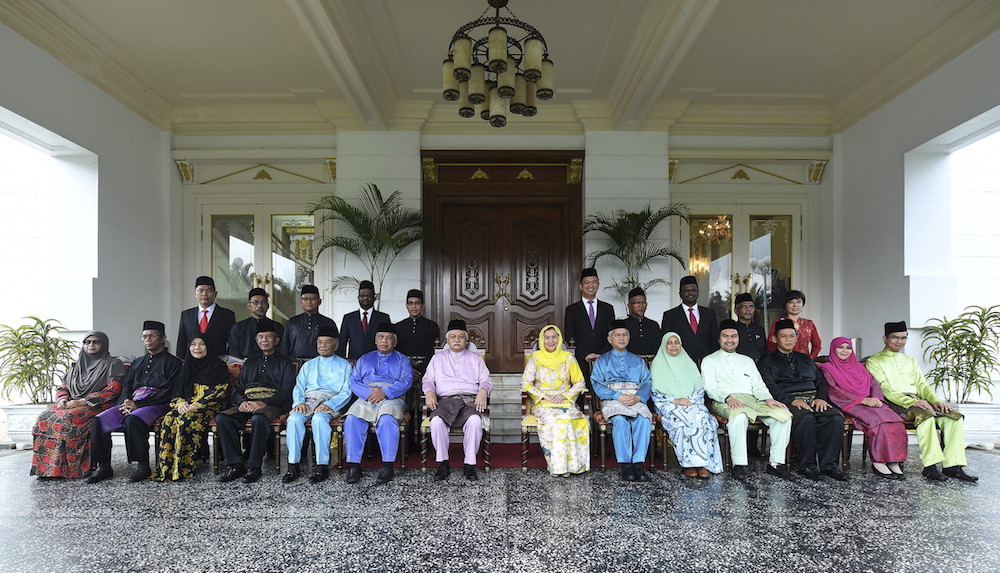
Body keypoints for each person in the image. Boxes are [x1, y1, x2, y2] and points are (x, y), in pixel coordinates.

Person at [867, 321, 977, 482]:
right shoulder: (874, 361)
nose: (899, 341)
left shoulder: (909, 360)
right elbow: (884, 388)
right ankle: (930, 466)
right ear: (885, 338)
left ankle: (952, 466)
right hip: (895, 403)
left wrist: (935, 401)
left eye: (903, 338)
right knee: (926, 416)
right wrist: (910, 402)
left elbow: (922, 384)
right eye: (895, 337)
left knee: (954, 417)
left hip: (918, 400)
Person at [87, 321, 183, 484]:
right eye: (145, 336)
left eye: (153, 335)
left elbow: (171, 391)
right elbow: (127, 385)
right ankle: (103, 466)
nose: (148, 339)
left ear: (163, 338)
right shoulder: (138, 362)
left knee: (133, 419)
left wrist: (139, 405)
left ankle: (143, 466)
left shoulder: (174, 363)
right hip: (133, 402)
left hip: (158, 404)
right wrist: (126, 400)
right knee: (98, 420)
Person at [702, 319, 793, 481]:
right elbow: (710, 388)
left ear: (738, 338)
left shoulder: (747, 360)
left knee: (783, 415)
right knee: (739, 416)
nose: (730, 339)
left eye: (734, 336)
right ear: (719, 339)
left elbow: (758, 385)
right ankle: (740, 464)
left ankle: (776, 463)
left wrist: (768, 399)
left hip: (753, 401)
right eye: (725, 336)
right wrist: (727, 397)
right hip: (724, 401)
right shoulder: (709, 360)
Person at [758, 319, 847, 481]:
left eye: (792, 336)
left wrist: (820, 398)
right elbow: (768, 385)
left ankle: (830, 465)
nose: (788, 339)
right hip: (787, 400)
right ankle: (807, 465)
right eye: (784, 336)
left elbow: (820, 381)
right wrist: (791, 400)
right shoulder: (766, 361)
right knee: (805, 418)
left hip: (813, 398)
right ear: (775, 339)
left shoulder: (805, 359)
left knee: (834, 418)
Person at [30, 331, 125, 479]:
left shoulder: (113, 363)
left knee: (66, 419)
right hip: (71, 403)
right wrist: (62, 399)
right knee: (44, 417)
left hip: (98, 405)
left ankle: (73, 469)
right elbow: (63, 387)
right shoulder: (77, 365)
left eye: (95, 342)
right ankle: (49, 469)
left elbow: (114, 389)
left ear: (104, 344)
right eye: (87, 342)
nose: (91, 345)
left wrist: (82, 401)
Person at [216, 319, 295, 484]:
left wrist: (264, 403)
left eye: (268, 337)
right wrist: (241, 402)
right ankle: (236, 465)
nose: (264, 340)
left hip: (272, 404)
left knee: (259, 418)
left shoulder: (285, 362)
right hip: (248, 402)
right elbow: (237, 389)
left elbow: (287, 391)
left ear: (276, 340)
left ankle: (254, 467)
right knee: (223, 418)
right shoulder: (250, 362)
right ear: (256, 340)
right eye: (261, 337)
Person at [818, 337, 907, 479]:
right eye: (840, 347)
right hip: (848, 403)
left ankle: (893, 461)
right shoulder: (827, 368)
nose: (845, 351)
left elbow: (874, 384)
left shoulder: (860, 367)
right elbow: (834, 391)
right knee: (877, 421)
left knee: (895, 420)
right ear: (833, 349)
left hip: (871, 401)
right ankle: (878, 461)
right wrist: (862, 400)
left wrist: (877, 398)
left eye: (848, 348)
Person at [151, 335, 230, 482]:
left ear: (208, 347)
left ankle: (183, 468)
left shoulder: (218, 366)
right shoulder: (186, 366)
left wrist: (199, 404)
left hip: (211, 405)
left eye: (201, 344)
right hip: (188, 404)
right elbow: (176, 391)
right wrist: (181, 403)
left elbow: (222, 390)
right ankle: (166, 468)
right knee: (169, 418)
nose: (197, 348)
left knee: (186, 419)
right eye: (193, 344)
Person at [422, 319, 492, 481]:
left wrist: (483, 390)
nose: (457, 339)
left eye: (461, 337)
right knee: (437, 421)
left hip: (469, 400)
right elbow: (427, 380)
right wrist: (429, 391)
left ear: (466, 341)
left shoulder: (476, 359)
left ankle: (469, 464)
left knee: (475, 420)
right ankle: (443, 462)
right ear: (447, 340)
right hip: (445, 400)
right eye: (453, 336)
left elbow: (486, 380)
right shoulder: (437, 359)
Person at [343, 323, 413, 484]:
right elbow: (354, 381)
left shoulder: (402, 360)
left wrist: (385, 392)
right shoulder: (365, 358)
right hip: (367, 396)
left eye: (389, 338)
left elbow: (407, 381)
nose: (384, 341)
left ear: (395, 342)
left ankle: (387, 466)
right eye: (381, 337)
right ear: (375, 341)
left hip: (392, 397)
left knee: (387, 419)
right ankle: (354, 465)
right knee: (352, 419)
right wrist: (370, 394)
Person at [282, 326, 352, 484]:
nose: (323, 345)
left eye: (327, 342)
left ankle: (321, 466)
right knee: (293, 419)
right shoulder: (309, 365)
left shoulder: (345, 365)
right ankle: (293, 466)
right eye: (320, 342)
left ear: (336, 345)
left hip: (331, 402)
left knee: (319, 419)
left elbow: (346, 392)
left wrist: (331, 404)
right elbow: (299, 387)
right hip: (308, 401)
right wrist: (299, 402)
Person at [650, 331, 723, 478]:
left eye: (676, 342)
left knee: (703, 417)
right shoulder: (657, 364)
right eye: (669, 343)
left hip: (692, 402)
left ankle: (703, 463)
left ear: (681, 344)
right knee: (681, 419)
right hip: (668, 404)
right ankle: (688, 464)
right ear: (664, 346)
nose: (673, 345)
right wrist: (675, 400)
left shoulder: (689, 362)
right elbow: (655, 390)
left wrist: (691, 399)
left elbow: (699, 385)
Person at [521, 325, 590, 477]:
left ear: (559, 339)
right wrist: (544, 396)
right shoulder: (535, 359)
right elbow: (526, 383)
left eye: (554, 337)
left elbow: (580, 382)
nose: (551, 340)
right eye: (547, 337)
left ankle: (573, 465)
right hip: (543, 402)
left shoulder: (568, 358)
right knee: (556, 420)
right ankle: (558, 467)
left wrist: (565, 395)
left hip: (564, 400)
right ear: (542, 340)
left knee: (574, 419)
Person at [591, 320, 653, 482]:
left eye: (624, 335)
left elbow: (647, 381)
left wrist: (638, 397)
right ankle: (626, 464)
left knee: (644, 419)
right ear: (610, 339)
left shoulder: (638, 361)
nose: (621, 338)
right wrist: (617, 396)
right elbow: (597, 383)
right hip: (613, 399)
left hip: (634, 398)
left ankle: (638, 463)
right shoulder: (602, 361)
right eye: (617, 335)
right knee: (620, 419)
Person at [563, 268, 614, 382]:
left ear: (598, 285)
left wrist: (601, 355)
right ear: (580, 286)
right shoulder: (572, 310)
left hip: (604, 360)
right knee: (583, 395)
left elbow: (612, 334)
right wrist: (585, 354)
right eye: (587, 282)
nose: (591, 285)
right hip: (581, 360)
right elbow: (569, 335)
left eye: (594, 281)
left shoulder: (607, 308)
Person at [660, 275, 719, 366]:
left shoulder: (709, 314)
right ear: (680, 294)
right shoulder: (670, 316)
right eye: (686, 291)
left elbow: (714, 340)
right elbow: (665, 342)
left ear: (698, 292)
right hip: (680, 363)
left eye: (693, 290)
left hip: (707, 363)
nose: (690, 293)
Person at [176, 276, 236, 359]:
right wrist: (181, 361)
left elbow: (233, 343)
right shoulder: (186, 315)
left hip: (218, 362)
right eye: (200, 291)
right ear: (195, 294)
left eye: (209, 290)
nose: (204, 294)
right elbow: (182, 342)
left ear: (215, 294)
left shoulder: (227, 315)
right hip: (192, 363)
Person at [280, 285, 339, 360]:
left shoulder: (328, 323)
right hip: (296, 364)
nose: (309, 301)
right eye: (305, 298)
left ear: (319, 301)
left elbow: (336, 347)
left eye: (313, 298)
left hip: (322, 365)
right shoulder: (292, 322)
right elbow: (284, 348)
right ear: (301, 302)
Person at [338, 280, 392, 361]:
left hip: (378, 362)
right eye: (362, 295)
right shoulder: (348, 318)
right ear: (358, 298)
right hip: (354, 362)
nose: (365, 298)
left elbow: (389, 342)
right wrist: (342, 363)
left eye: (369, 295)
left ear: (374, 298)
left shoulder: (383, 318)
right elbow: (342, 343)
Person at [228, 288, 285, 360]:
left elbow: (282, 351)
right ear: (249, 306)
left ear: (268, 306)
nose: (260, 306)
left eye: (263, 302)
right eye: (255, 302)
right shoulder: (238, 328)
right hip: (244, 367)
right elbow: (234, 354)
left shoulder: (277, 327)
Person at [394, 289, 441, 375]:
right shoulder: (398, 327)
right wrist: (408, 369)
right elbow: (396, 353)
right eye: (410, 303)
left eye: (417, 303)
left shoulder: (432, 326)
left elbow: (433, 351)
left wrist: (423, 371)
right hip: (403, 371)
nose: (414, 306)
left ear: (423, 306)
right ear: (406, 306)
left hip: (427, 371)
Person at [766, 290, 821, 358]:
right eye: (791, 302)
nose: (795, 305)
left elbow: (817, 345)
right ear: (785, 305)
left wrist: (810, 359)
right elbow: (771, 343)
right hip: (783, 362)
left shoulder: (809, 324)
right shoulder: (778, 323)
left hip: (804, 363)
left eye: (798, 302)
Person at [623, 287, 661, 358]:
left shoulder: (653, 325)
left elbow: (658, 348)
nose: (641, 306)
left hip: (651, 364)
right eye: (637, 302)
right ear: (629, 306)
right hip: (628, 364)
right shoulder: (623, 325)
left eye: (643, 302)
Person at [733, 293, 766, 362]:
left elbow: (765, 351)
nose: (748, 309)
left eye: (751, 306)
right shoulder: (732, 329)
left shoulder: (759, 329)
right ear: (736, 311)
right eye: (744, 307)